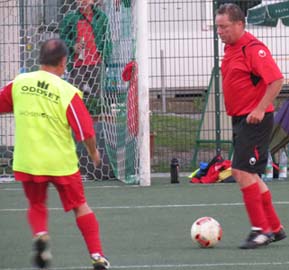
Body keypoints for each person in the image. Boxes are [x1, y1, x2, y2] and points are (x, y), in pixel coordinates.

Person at [0, 39, 110, 269]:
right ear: (63, 62)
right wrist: (94, 153)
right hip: (61, 164)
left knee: (36, 204)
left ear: (40, 59)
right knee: (81, 206)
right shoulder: (67, 91)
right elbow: (85, 131)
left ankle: (41, 235)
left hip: (28, 161)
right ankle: (97, 256)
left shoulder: (19, 83)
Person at [215, 3, 286, 249]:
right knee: (251, 173)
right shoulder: (230, 48)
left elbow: (276, 80)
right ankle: (275, 228)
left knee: (241, 172)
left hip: (255, 120)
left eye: (224, 27)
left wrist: (258, 108)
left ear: (239, 24)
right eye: (218, 27)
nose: (220, 31)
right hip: (241, 119)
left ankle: (260, 230)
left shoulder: (253, 49)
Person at [59, 0, 112, 98]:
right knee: (73, 95)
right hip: (77, 64)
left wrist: (106, 61)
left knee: (98, 96)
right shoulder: (70, 18)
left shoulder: (101, 17)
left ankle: (96, 111)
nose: (83, 1)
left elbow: (107, 40)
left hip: (97, 63)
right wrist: (73, 45)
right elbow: (62, 38)